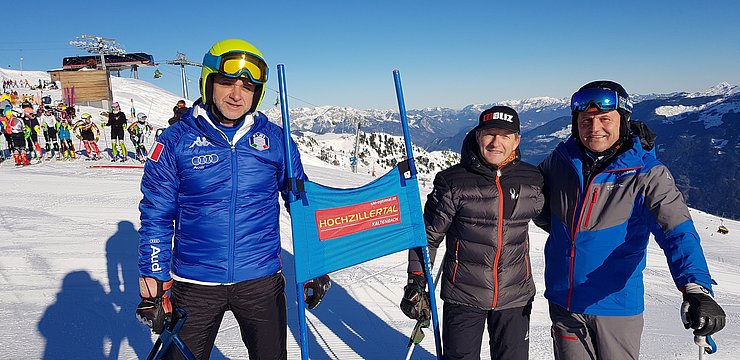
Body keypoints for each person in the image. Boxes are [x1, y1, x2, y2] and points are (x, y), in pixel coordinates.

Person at [136, 38, 330, 360]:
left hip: (260, 281)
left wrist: (315, 261)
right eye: (227, 83)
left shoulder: (276, 140)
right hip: (195, 283)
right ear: (209, 82)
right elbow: (156, 212)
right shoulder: (175, 141)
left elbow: (300, 203)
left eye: (248, 87)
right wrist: (155, 281)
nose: (237, 95)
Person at [534, 80, 726, 359]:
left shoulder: (647, 174)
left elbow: (677, 231)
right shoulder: (561, 159)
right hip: (564, 303)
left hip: (614, 306)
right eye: (585, 120)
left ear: (623, 120)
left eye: (604, 119)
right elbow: (530, 191)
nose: (594, 128)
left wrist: (696, 287)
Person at [402, 106, 544, 360]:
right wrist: (416, 281)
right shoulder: (453, 181)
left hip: (515, 295)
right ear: (478, 136)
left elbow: (555, 220)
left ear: (517, 140)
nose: (496, 142)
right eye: (489, 134)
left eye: (505, 135)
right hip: (464, 295)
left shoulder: (531, 179)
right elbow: (428, 237)